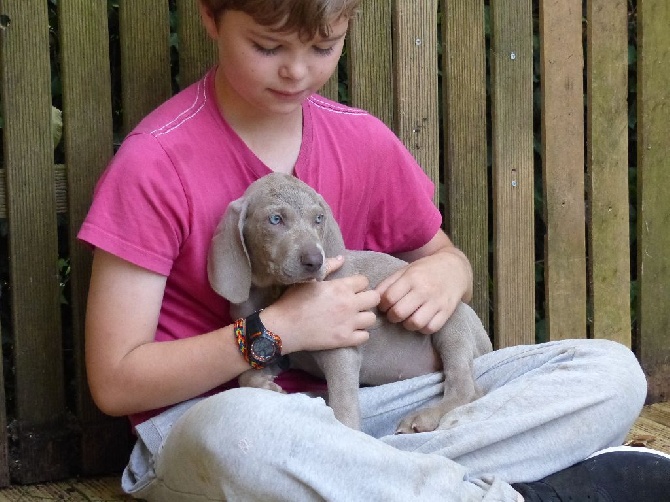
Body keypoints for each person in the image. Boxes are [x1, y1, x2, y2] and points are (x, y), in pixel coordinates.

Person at [78, 0, 669, 500]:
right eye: (267, 46)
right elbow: (116, 381)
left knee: (609, 371)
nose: (297, 72)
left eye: (324, 47)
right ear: (210, 15)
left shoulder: (361, 139)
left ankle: (380, 481)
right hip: (231, 426)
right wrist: (276, 330)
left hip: (382, 411)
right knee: (243, 433)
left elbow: (443, 257)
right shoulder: (155, 162)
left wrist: (447, 273)